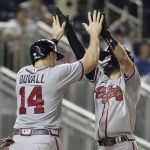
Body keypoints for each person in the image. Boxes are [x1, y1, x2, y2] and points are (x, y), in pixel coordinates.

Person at [9, 11, 104, 150]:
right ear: (52, 55)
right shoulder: (56, 73)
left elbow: (42, 57)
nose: (55, 60)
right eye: (55, 56)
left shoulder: (21, 74)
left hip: (17, 141)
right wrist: (95, 34)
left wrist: (54, 38)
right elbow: (91, 61)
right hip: (43, 140)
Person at [52, 7, 141, 150]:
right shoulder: (101, 79)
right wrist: (70, 32)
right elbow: (84, 59)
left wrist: (106, 34)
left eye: (108, 56)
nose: (104, 59)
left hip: (123, 144)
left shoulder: (130, 81)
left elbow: (124, 60)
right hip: (102, 145)